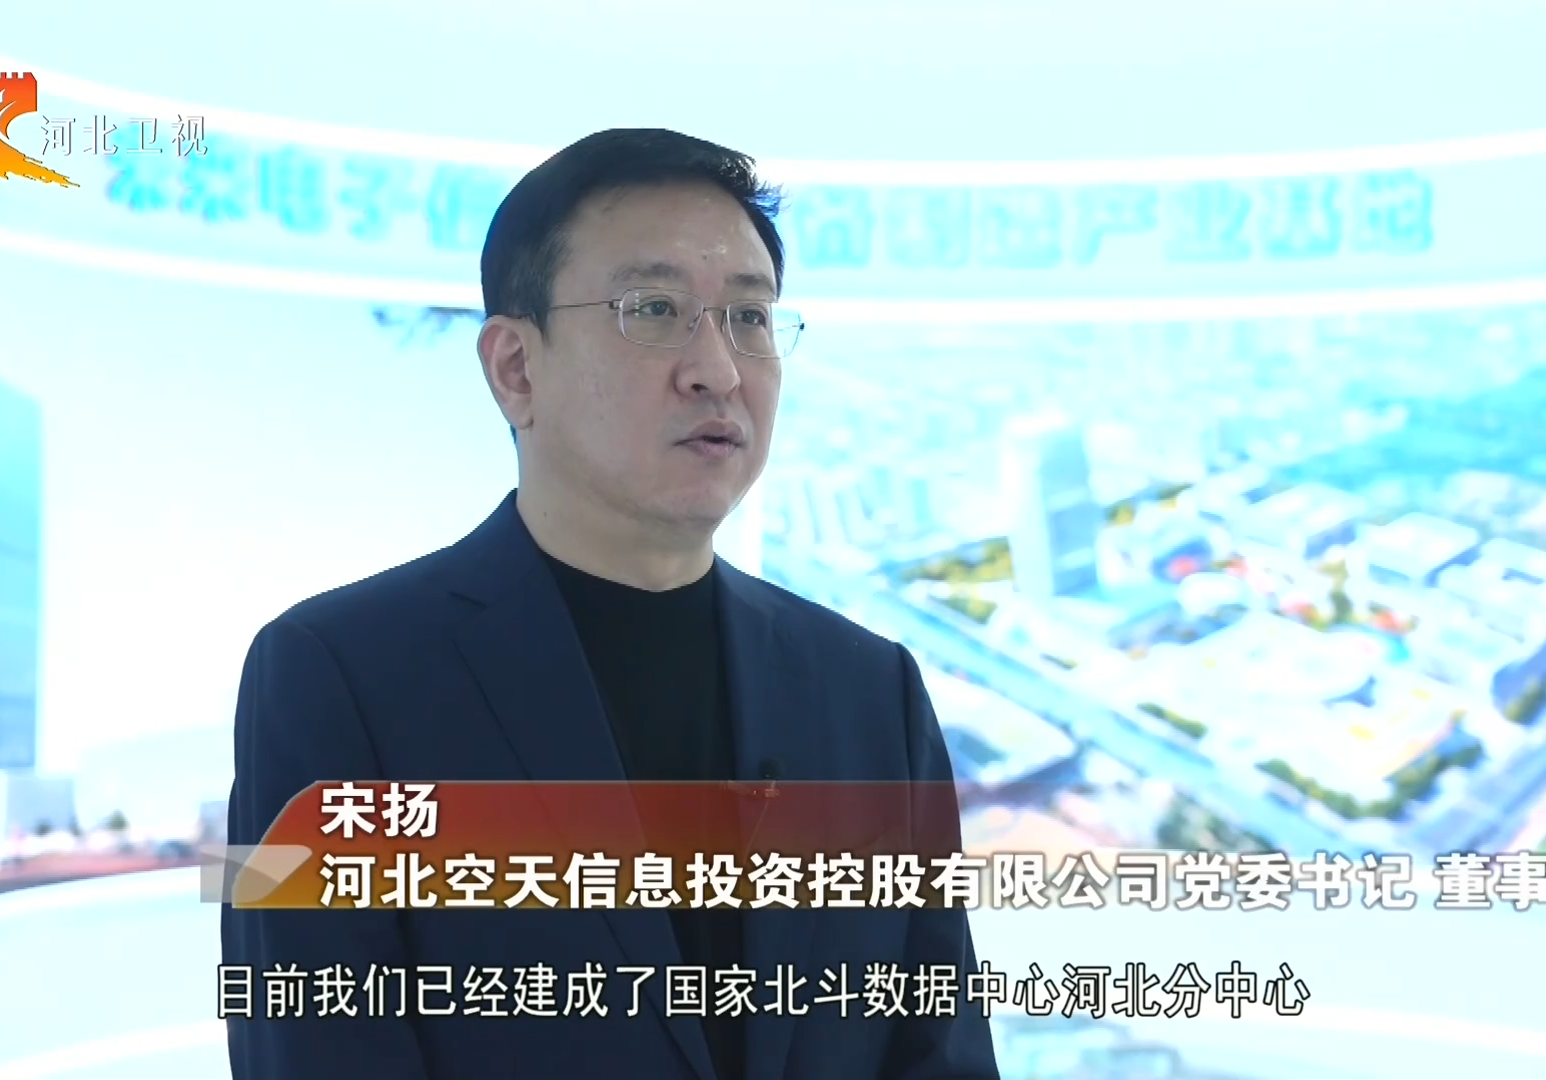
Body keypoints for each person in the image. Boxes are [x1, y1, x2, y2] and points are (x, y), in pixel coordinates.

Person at [222, 128, 1000, 1080]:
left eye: (750, 318)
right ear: (516, 368)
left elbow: (940, 1052)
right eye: (655, 310)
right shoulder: (334, 675)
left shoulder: (870, 690)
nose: (718, 369)